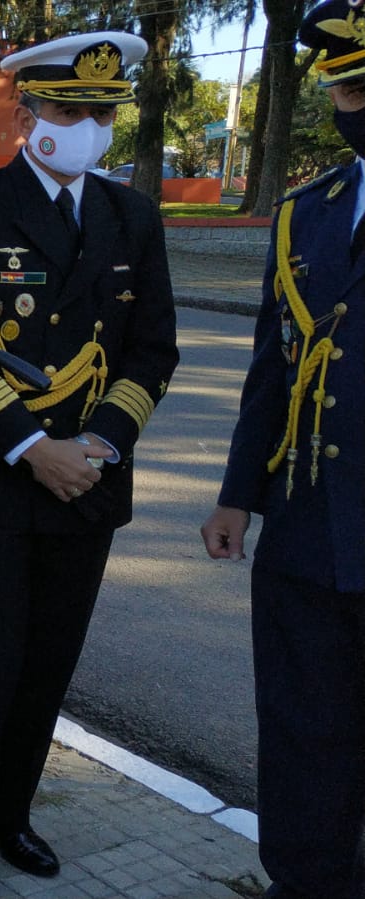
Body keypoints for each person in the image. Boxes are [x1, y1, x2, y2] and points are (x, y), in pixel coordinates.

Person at [0, 32, 178, 894]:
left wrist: (96, 444)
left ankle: (10, 814)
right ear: (29, 112)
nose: (88, 127)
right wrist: (32, 446)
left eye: (101, 113)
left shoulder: (131, 216)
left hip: (86, 485)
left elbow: (152, 349)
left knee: (45, 665)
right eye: (69, 109)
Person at [200, 3, 365, 894]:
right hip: (304, 526)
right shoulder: (309, 212)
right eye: (346, 85)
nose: (354, 102)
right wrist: (237, 494)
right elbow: (275, 363)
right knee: (303, 731)